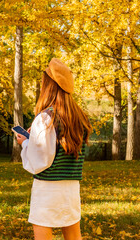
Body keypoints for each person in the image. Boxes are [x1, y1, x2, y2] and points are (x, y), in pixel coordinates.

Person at [16, 58, 92, 240]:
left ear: (49, 86)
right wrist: (34, 137)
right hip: (71, 188)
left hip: (47, 189)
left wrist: (25, 143)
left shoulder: (46, 118)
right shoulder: (79, 117)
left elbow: (39, 162)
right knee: (73, 235)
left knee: (43, 234)